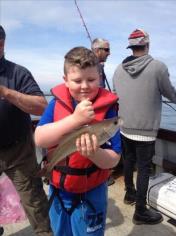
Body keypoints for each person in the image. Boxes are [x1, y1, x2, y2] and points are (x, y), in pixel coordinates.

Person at [34, 46, 121, 236]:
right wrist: (75, 119)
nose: (84, 86)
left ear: (99, 77)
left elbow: (114, 159)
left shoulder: (109, 111)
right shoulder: (56, 104)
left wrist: (94, 152)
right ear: (65, 81)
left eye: (91, 80)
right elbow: (39, 138)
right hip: (58, 190)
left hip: (91, 191)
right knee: (60, 232)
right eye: (77, 80)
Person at [113, 28, 176, 225]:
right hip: (145, 131)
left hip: (124, 126)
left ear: (131, 47)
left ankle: (130, 194)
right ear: (147, 45)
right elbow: (170, 94)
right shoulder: (158, 67)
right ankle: (140, 211)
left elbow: (116, 94)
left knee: (129, 161)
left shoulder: (117, 69)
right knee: (144, 168)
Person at [0, 25, 53, 235]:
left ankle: (45, 233)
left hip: (18, 152)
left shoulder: (18, 73)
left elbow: (42, 106)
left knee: (34, 201)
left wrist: (6, 92)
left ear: (2, 44)